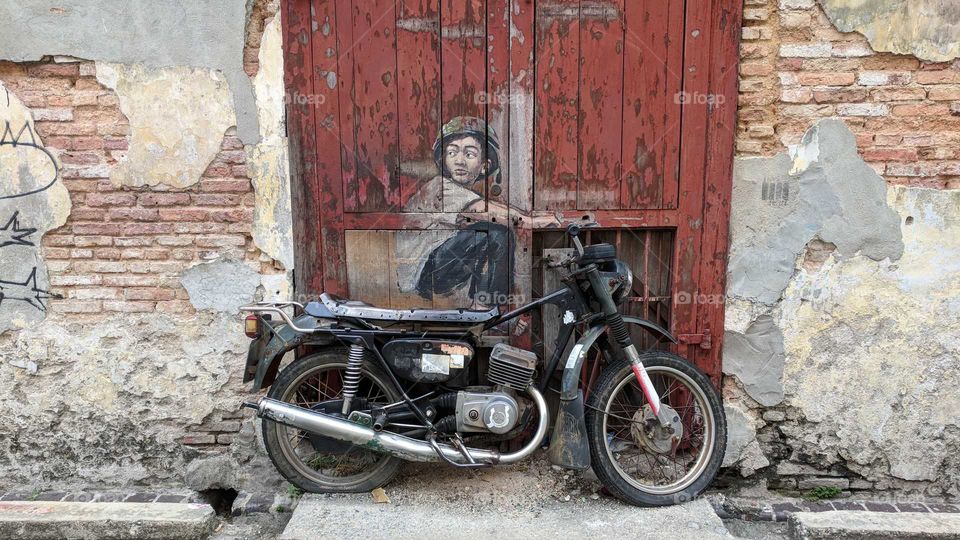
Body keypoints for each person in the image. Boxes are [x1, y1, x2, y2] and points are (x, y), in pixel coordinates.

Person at [405, 116, 514, 306]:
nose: (459, 161)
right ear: (444, 159)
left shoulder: (461, 193)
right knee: (496, 234)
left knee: (487, 236)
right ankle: (484, 308)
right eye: (452, 153)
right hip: (421, 272)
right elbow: (489, 212)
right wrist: (539, 220)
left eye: (469, 154)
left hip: (439, 269)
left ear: (484, 165)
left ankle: (485, 306)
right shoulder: (439, 187)